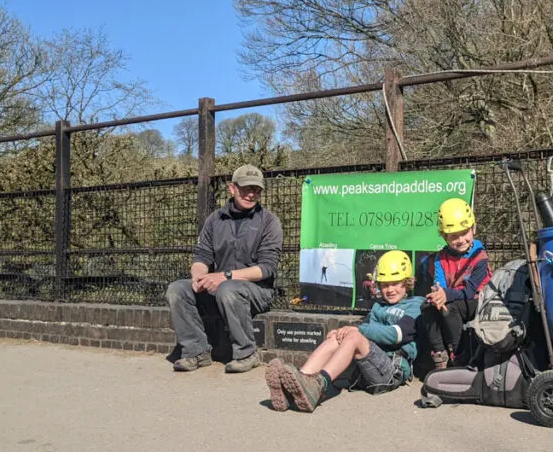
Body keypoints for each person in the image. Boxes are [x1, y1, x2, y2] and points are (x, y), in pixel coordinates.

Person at [265, 250, 424, 412]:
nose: (390, 289)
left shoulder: (415, 305)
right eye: (384, 285)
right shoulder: (378, 306)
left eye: (395, 283)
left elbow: (396, 335)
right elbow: (365, 332)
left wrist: (355, 330)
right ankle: (298, 384)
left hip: (391, 370)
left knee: (353, 335)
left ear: (407, 282)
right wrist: (341, 333)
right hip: (366, 368)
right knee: (338, 337)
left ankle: (319, 384)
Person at [165, 164, 283, 373]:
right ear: (232, 188)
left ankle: (247, 353)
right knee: (177, 289)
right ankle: (196, 352)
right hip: (220, 289)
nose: (251, 193)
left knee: (228, 289)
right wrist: (199, 277)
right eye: (246, 188)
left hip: (256, 291)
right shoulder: (214, 220)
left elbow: (266, 269)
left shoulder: (269, 221)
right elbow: (201, 256)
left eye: (256, 189)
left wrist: (225, 276)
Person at [420, 198, 492, 370]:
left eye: (464, 232)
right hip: (453, 299)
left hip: (478, 301)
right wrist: (438, 294)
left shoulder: (480, 257)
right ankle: (440, 355)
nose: (460, 240)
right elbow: (440, 283)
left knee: (451, 307)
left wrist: (445, 295)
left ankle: (460, 356)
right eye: (453, 236)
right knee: (427, 306)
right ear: (444, 237)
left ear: (473, 228)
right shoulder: (440, 258)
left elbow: (469, 291)